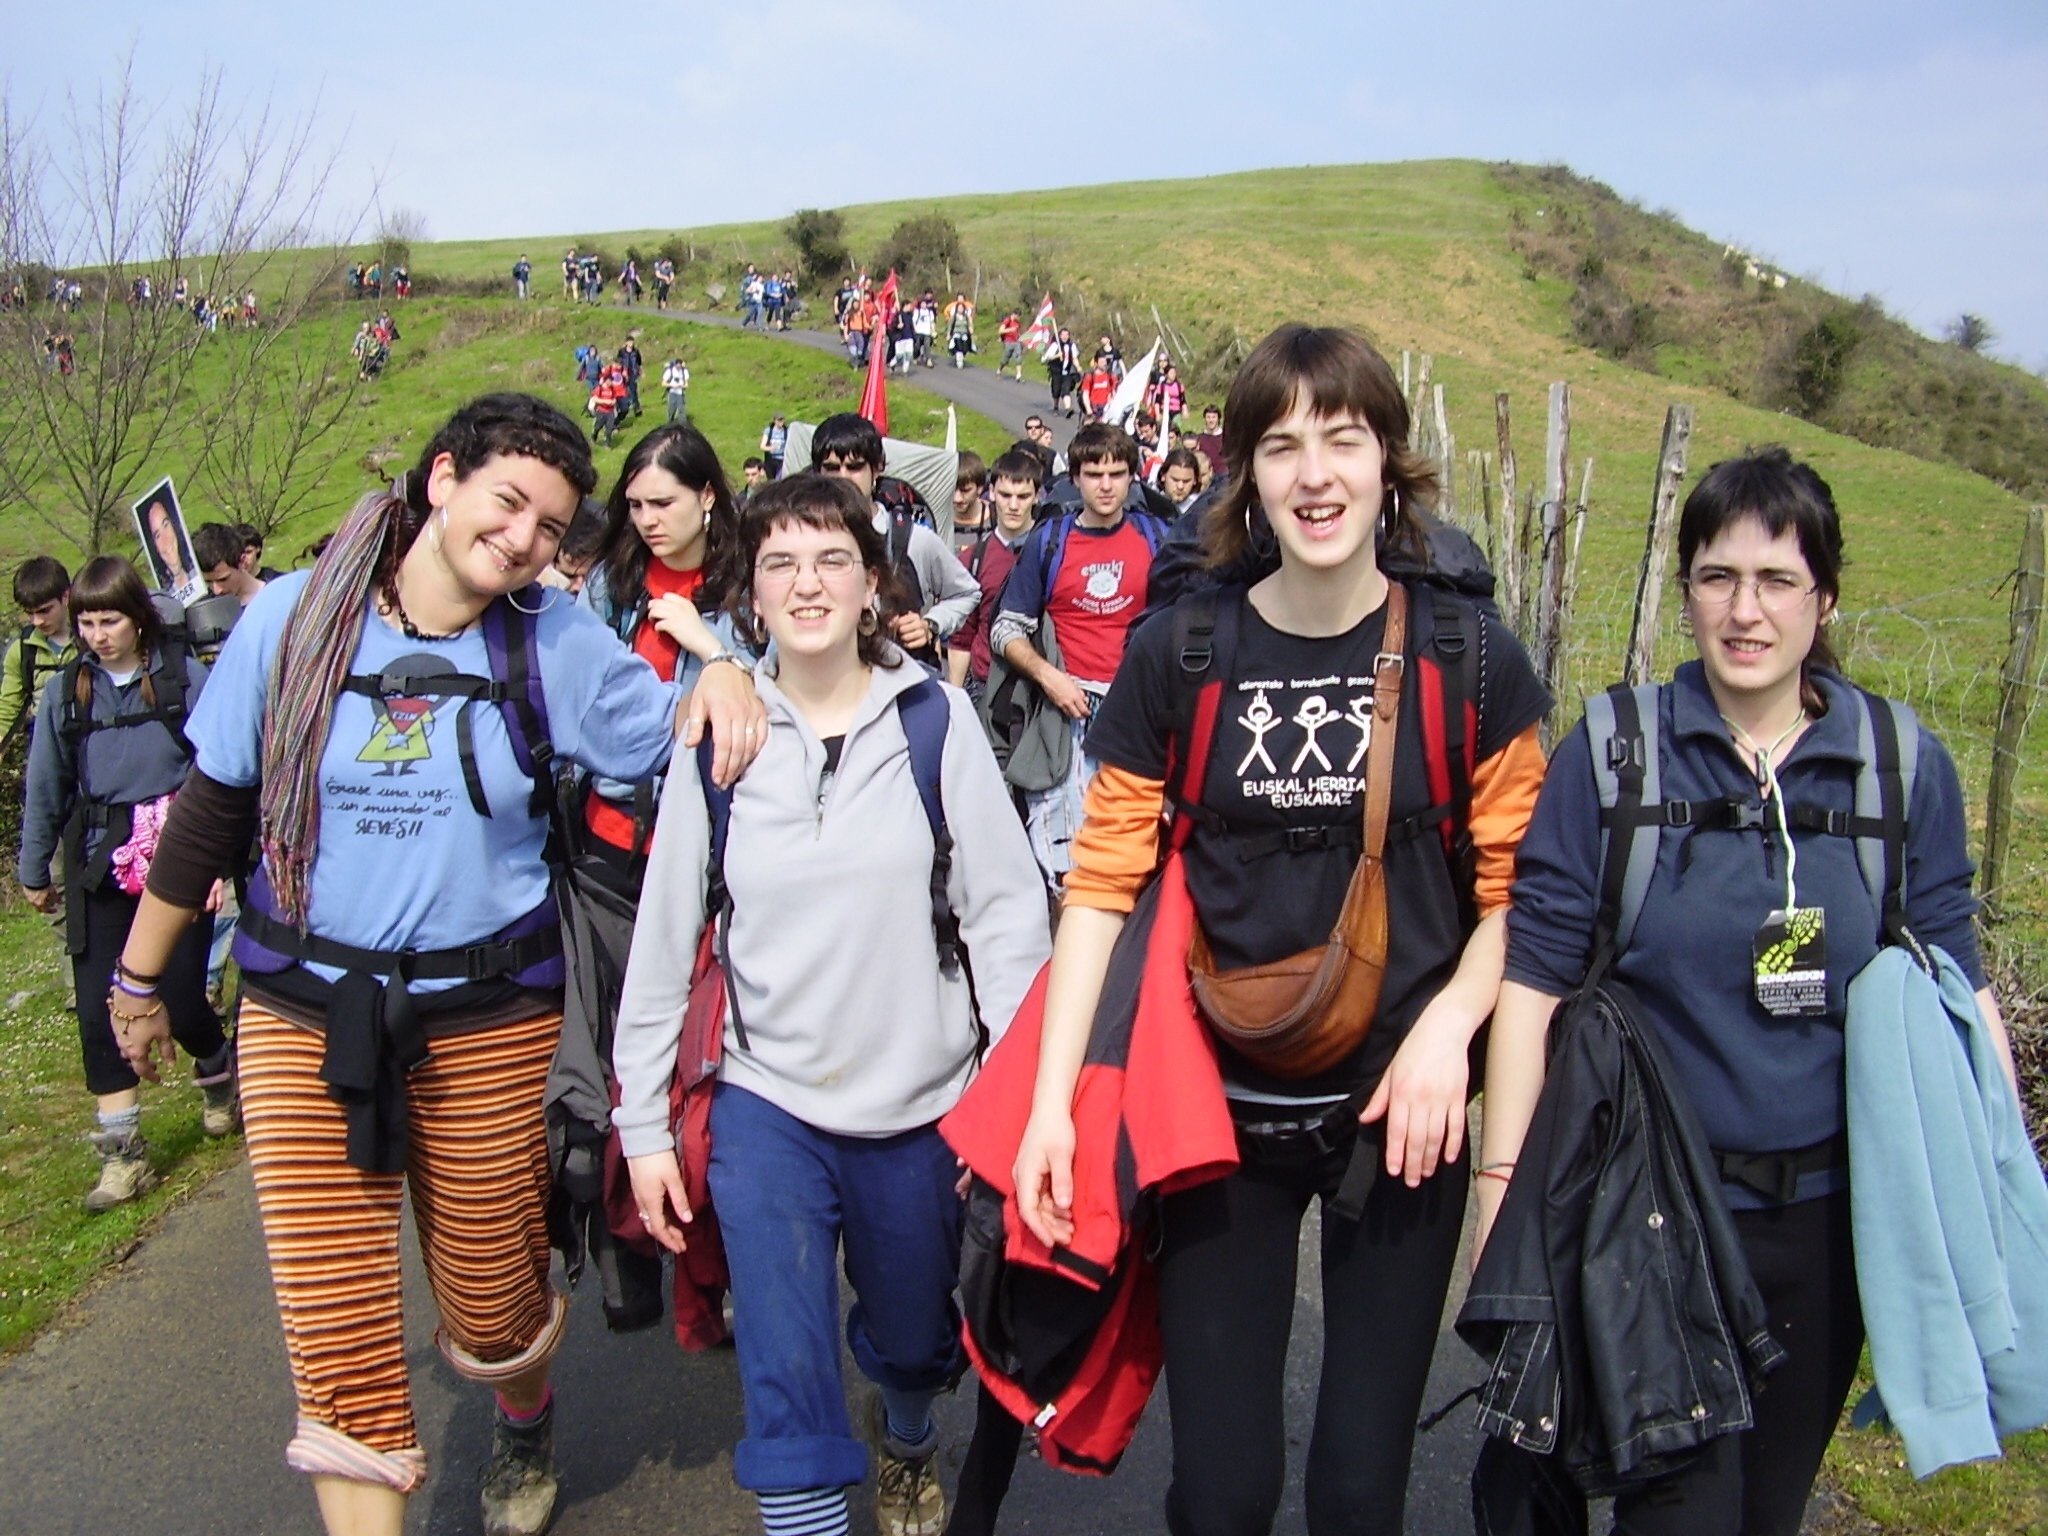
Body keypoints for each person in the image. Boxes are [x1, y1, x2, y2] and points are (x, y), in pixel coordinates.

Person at [107, 394, 766, 1536]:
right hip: (300, 1008)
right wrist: (136, 981)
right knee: (336, 1332)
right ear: (444, 477)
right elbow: (213, 804)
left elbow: (685, 739)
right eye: (507, 503)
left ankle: (523, 1409)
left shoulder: (554, 641)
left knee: (493, 1298)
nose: (523, 540)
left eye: (550, 527)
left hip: (488, 1016)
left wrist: (722, 674)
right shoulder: (293, 619)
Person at [1008, 324, 1551, 1536]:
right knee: (1221, 1496)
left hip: (1401, 1125)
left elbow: (1523, 893)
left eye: (1342, 440)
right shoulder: (1180, 653)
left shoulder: (1467, 659)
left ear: (1387, 461)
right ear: (1242, 472)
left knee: (1357, 1494)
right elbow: (1099, 888)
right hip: (1215, 1126)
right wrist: (1054, 1108)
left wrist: (1448, 1033)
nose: (1314, 476)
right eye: (1280, 445)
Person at [1479, 447, 2011, 1536]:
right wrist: (1502, 1201)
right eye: (1717, 577)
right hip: (1645, 1221)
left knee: (1766, 1515)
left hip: (1827, 1233)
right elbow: (1532, 980)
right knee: (1677, 1515)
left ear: (1825, 598)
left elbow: (1956, 984)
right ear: (1685, 591)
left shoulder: (1897, 767)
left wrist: (2001, 1188)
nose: (1745, 610)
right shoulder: (1615, 755)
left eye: (1777, 580)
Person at [615, 472, 1050, 1536]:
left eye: (831, 561)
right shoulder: (717, 740)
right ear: (751, 593)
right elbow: (665, 936)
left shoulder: (936, 723)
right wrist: (641, 1125)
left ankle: (907, 1432)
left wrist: (1017, 1105)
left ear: (869, 585)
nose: (806, 584)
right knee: (784, 1363)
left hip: (923, 1105)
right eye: (780, 564)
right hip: (767, 1104)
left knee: (915, 1343)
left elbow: (1004, 921)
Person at [18, 556, 233, 1210]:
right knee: (96, 1008)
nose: (97, 635)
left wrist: (220, 862)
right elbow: (46, 785)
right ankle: (123, 1155)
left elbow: (225, 771)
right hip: (98, 860)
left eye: (109, 621)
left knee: (182, 997)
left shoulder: (183, 679)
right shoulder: (67, 693)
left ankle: (218, 1070)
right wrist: (33, 869)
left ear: (138, 618)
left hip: (178, 856)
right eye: (86, 623)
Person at [988, 422, 1171, 892]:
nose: (1106, 485)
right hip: (1064, 718)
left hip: (1137, 718)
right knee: (1065, 866)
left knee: (1134, 860)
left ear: (1132, 477)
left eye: (1116, 473)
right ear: (1076, 478)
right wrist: (1048, 676)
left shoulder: (1157, 537)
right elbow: (1006, 629)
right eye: (1094, 474)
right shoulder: (1049, 542)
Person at [809, 414, 980, 673]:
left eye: (855, 467)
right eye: (832, 468)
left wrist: (929, 624)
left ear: (877, 468)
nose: (843, 478)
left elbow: (966, 592)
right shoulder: (802, 541)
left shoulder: (912, 538)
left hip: (899, 679)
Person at [947, 450, 1039, 697]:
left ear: (1036, 496)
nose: (1013, 506)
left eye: (1023, 496)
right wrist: (954, 699)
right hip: (985, 684)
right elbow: (961, 639)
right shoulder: (971, 560)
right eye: (1005, 495)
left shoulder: (1052, 551)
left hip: (1040, 686)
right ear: (991, 493)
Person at [0, 555, 76, 750]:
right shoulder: (23, 649)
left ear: (65, 597)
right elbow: (8, 709)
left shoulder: (91, 640)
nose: (37, 621)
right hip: (44, 741)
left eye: (44, 611)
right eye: (30, 613)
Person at [193, 523, 266, 605]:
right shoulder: (208, 608)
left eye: (223, 579)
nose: (217, 591)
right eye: (208, 582)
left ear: (241, 562)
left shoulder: (273, 598)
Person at [950, 451, 989, 558]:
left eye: (965, 491)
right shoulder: (936, 518)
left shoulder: (997, 520)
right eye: (952, 490)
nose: (957, 499)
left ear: (980, 488)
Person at [1158, 447, 1205, 518]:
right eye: (1175, 480)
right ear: (1163, 476)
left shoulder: (1202, 511)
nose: (1180, 486)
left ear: (1195, 480)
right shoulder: (1149, 507)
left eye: (1186, 481)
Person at [945, 293, 976, 368]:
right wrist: (948, 334)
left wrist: (971, 329)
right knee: (958, 344)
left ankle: (962, 355)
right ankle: (959, 360)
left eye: (962, 308)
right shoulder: (954, 316)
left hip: (964, 333)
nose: (960, 309)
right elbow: (950, 325)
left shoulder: (966, 316)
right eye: (959, 308)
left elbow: (970, 324)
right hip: (956, 333)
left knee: (965, 346)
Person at [662, 356, 690, 423]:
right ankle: (670, 423)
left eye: (680, 366)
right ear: (675, 364)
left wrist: (682, 386)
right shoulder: (670, 371)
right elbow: (663, 383)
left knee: (681, 409)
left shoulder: (684, 371)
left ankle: (683, 424)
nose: (679, 367)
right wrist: (672, 385)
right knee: (672, 410)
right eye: (677, 366)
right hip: (672, 393)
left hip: (680, 393)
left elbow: (686, 384)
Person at [996, 310, 1023, 381]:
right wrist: (1010, 329)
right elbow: (1000, 331)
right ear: (1014, 314)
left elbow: (1018, 332)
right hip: (1008, 342)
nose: (1019, 318)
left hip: (1016, 342)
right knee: (1005, 359)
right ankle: (1000, 369)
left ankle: (1019, 374)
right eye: (1018, 316)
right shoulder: (1007, 321)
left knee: (1018, 357)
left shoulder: (1018, 323)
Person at [760, 414, 789, 480]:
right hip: (770, 460)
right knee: (771, 480)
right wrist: (770, 448)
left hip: (782, 460)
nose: (781, 422)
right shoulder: (769, 431)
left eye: (782, 420)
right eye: (779, 420)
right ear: (775, 421)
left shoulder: (786, 431)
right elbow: (762, 446)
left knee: (779, 479)